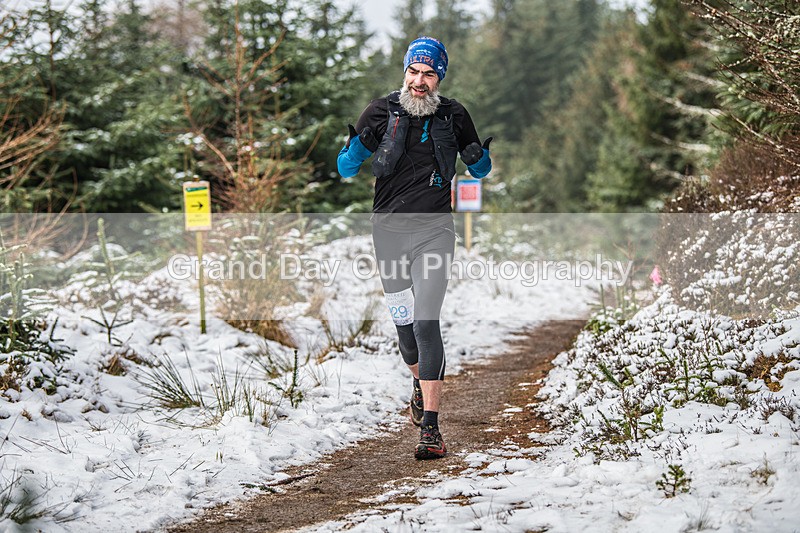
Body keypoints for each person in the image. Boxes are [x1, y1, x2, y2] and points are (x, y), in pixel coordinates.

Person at [336, 37, 492, 460]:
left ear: (439, 77)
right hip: (387, 233)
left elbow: (480, 168)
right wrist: (353, 149)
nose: (419, 81)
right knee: (406, 334)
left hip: (434, 232)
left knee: (426, 321)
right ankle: (418, 384)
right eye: (414, 72)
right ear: (404, 72)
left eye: (428, 74)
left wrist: (477, 157)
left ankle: (432, 429)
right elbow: (345, 169)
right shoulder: (380, 111)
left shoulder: (454, 114)